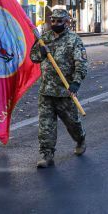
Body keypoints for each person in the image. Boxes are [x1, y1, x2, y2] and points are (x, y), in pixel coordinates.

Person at [30, 9, 87, 168]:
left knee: (72, 123)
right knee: (45, 124)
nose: (55, 24)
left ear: (67, 22)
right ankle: (47, 154)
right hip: (46, 91)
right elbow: (33, 57)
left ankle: (80, 139)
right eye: (53, 21)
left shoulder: (73, 40)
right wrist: (40, 52)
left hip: (65, 91)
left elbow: (81, 63)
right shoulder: (45, 38)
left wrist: (76, 82)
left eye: (59, 21)